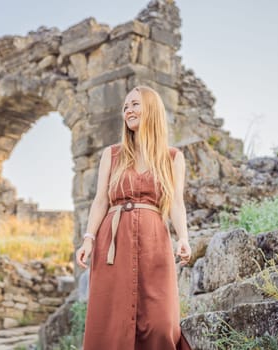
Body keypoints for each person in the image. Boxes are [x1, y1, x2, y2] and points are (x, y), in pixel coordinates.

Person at [75, 85, 193, 349]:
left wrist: (183, 238)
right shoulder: (112, 154)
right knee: (111, 322)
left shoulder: (173, 157)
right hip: (113, 243)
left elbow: (176, 202)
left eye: (135, 104)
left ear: (151, 109)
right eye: (125, 106)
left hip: (155, 242)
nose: (128, 110)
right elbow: (100, 201)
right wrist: (88, 239)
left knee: (161, 323)